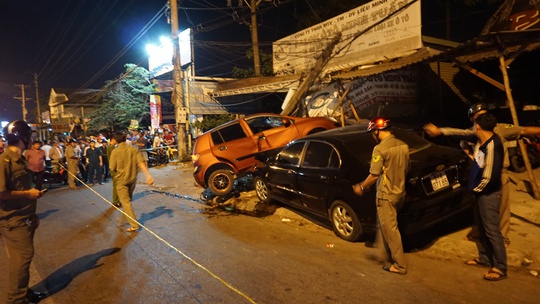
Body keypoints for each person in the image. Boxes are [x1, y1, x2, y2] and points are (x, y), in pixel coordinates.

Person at [424, 102, 540, 247]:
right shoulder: (473, 132)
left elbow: (523, 130)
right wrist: (470, 155)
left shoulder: (500, 129)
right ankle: (480, 232)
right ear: (473, 119)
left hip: (498, 174)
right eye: (477, 116)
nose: (481, 118)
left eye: (484, 114)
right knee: (479, 206)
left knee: (502, 207)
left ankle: (503, 237)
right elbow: (462, 140)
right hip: (480, 174)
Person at [352, 117, 409, 275]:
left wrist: (361, 186)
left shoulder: (380, 149)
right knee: (384, 224)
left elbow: (374, 175)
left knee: (390, 229)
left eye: (373, 132)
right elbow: (406, 168)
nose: (372, 135)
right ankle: (382, 253)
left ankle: (399, 265)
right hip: (400, 192)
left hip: (386, 195)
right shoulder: (403, 145)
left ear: (377, 131)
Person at [0, 120, 48, 303]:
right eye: (30, 135)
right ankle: (15, 299)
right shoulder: (4, 161)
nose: (32, 139)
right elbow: (1, 192)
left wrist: (32, 214)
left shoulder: (20, 159)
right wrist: (28, 193)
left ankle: (23, 292)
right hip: (13, 220)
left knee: (22, 259)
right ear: (22, 137)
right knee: (22, 258)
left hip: (24, 217)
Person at [462, 113, 507, 281]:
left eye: (474, 125)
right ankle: (485, 259)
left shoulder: (493, 145)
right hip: (481, 192)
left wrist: (475, 190)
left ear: (478, 127)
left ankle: (500, 267)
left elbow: (489, 176)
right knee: (481, 228)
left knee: (492, 230)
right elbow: (480, 164)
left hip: (488, 193)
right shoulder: (483, 143)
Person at [109, 132, 154, 232]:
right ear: (125, 138)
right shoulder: (134, 150)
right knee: (128, 200)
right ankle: (127, 215)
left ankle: (134, 225)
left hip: (121, 180)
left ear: (115, 140)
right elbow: (141, 163)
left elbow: (112, 167)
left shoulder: (115, 152)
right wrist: (148, 175)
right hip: (132, 179)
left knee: (126, 202)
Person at [107, 136, 121, 207]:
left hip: (115, 168)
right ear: (113, 140)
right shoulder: (110, 147)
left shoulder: (112, 147)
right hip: (114, 168)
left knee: (117, 185)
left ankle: (117, 200)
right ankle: (116, 201)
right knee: (116, 185)